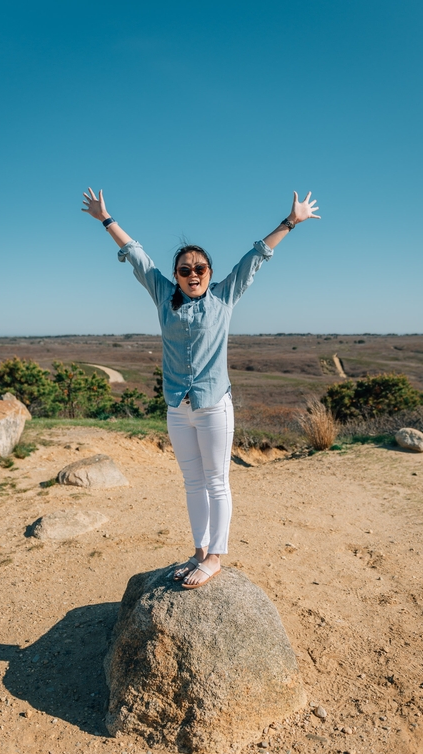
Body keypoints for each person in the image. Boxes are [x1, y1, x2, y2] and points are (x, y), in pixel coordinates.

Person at [82, 187, 320, 587]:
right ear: (176, 275)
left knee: (216, 481)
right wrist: (107, 220)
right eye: (185, 270)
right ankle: (197, 551)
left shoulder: (224, 297)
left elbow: (255, 257)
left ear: (210, 273)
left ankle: (215, 557)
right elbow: (138, 256)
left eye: (200, 269)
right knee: (192, 483)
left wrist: (290, 221)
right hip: (178, 407)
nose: (193, 275)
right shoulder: (163, 295)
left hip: (213, 407)